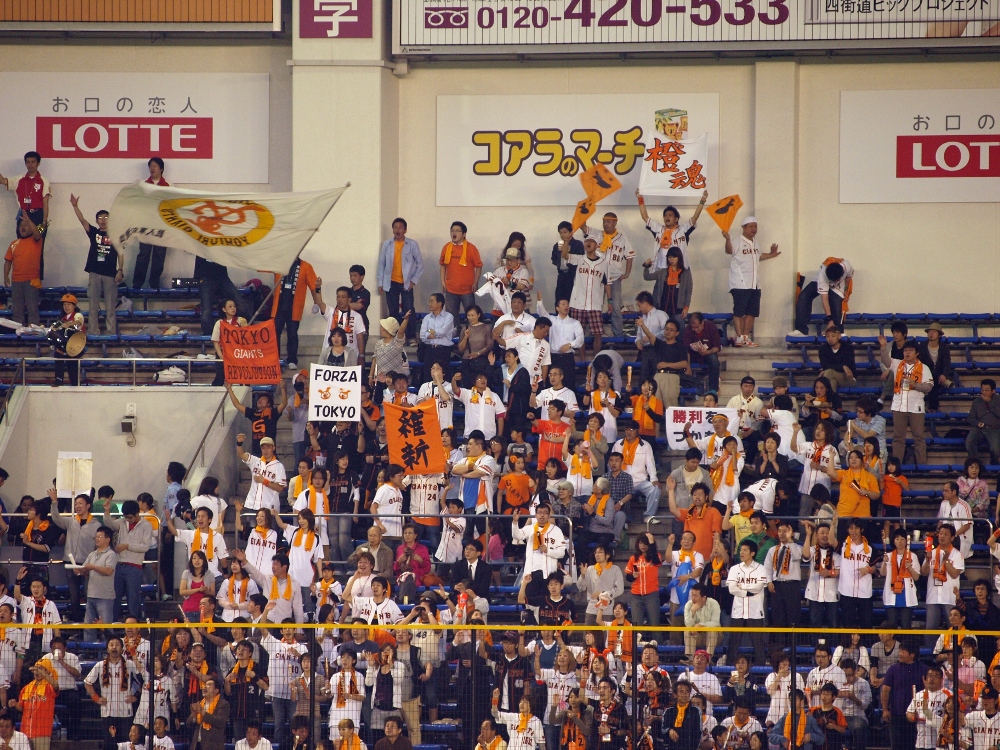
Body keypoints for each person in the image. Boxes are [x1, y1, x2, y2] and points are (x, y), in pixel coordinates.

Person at [724, 216, 780, 347]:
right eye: (750, 226)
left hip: (754, 284)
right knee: (739, 312)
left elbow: (758, 256)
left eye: (755, 226)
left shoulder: (756, 243)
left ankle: (745, 338)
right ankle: (739, 338)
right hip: (740, 283)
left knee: (751, 312)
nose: (754, 229)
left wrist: (771, 254)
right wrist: (727, 240)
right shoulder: (737, 241)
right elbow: (729, 250)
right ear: (743, 227)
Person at [70, 193, 121, 334]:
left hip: (110, 274)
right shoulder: (93, 233)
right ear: (97, 221)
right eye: (100, 218)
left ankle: (111, 333)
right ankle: (93, 332)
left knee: (110, 307)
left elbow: (121, 253)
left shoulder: (116, 235)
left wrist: (120, 270)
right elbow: (82, 221)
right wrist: (75, 206)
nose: (103, 220)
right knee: (93, 306)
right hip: (94, 273)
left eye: (106, 218)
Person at [582, 212, 634, 339]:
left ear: (615, 222)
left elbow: (630, 255)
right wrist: (585, 211)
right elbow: (582, 226)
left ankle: (618, 336)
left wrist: (627, 273)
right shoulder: (597, 234)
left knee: (616, 307)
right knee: (594, 306)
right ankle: (592, 334)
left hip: (615, 277)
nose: (606, 224)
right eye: (604, 221)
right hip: (598, 276)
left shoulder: (622, 238)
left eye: (609, 221)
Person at [101, 499, 152, 621]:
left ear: (137, 514)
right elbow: (110, 524)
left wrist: (127, 546)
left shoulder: (146, 525)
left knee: (132, 597)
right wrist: (107, 512)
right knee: (115, 596)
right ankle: (114, 624)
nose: (128, 520)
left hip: (135, 566)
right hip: (119, 564)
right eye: (126, 517)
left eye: (130, 517)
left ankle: (133, 624)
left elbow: (145, 546)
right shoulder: (123, 522)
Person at [271, 257, 321, 369]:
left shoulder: (306, 267)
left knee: (292, 333)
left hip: (294, 307)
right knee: (275, 333)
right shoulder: (279, 263)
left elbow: (314, 286)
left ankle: (292, 359)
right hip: (279, 306)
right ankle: (275, 359)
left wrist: (317, 302)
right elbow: (263, 265)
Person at [378, 218, 423, 343]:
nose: (398, 230)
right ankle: (394, 336)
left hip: (406, 282)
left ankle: (411, 336)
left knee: (408, 309)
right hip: (390, 282)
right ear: (393, 229)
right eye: (395, 227)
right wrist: (380, 282)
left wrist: (413, 281)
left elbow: (420, 264)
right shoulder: (387, 244)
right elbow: (381, 264)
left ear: (405, 230)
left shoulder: (412, 244)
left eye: (400, 227)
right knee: (392, 310)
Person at [84, 638, 138, 738]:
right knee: (109, 744)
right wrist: (96, 698)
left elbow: (142, 681)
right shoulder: (100, 665)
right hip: (107, 712)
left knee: (125, 743)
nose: (114, 647)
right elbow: (87, 683)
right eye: (111, 645)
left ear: (122, 649)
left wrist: (136, 696)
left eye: (117, 645)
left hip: (125, 711)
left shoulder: (130, 665)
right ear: (107, 649)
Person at [637, 188, 706, 266]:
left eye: (670, 215)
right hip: (661, 269)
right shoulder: (658, 229)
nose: (667, 217)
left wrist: (703, 200)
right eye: (665, 215)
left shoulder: (682, 230)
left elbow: (695, 217)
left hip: (679, 269)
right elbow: (645, 217)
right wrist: (640, 198)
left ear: (676, 219)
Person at [131, 157, 170, 288]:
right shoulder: (143, 185)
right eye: (150, 166)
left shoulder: (168, 187)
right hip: (145, 225)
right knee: (143, 255)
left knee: (159, 256)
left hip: (161, 226)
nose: (152, 168)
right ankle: (137, 283)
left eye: (155, 166)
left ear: (161, 169)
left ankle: (154, 283)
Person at [569, 235, 610, 357]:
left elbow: (607, 283)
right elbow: (565, 256)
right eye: (586, 241)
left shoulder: (603, 263)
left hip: (595, 303)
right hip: (578, 303)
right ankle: (582, 360)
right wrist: (566, 242)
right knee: (579, 333)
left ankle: (595, 360)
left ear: (597, 245)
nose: (588, 243)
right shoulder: (579, 259)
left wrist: (610, 301)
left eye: (591, 241)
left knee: (598, 334)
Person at [613, 422, 661, 525]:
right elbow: (612, 462)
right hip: (623, 480)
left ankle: (648, 516)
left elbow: (650, 464)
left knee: (655, 489)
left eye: (631, 430)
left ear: (637, 431)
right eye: (627, 430)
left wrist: (654, 479)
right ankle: (623, 520)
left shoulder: (645, 445)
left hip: (640, 481)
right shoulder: (618, 444)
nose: (629, 432)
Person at [792, 258, 854, 335]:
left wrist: (846, 291)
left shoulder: (847, 266)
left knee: (836, 302)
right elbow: (824, 299)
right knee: (804, 296)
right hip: (821, 281)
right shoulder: (823, 275)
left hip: (837, 287)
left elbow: (848, 277)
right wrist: (830, 319)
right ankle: (801, 330)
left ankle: (839, 332)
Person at [79, 525, 118, 641]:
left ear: (108, 539)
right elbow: (85, 568)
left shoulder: (111, 554)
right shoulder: (92, 554)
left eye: (100, 537)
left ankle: (109, 650)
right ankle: (88, 652)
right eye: (96, 537)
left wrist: (92, 567)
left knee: (105, 626)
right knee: (88, 627)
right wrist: (80, 570)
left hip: (105, 597)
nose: (97, 539)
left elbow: (108, 571)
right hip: (91, 595)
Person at [3, 212, 42, 326]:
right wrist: (6, 276)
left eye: (26, 225)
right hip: (16, 281)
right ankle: (18, 336)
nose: (23, 227)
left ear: (31, 227)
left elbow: (38, 233)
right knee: (17, 311)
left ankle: (33, 336)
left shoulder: (36, 240)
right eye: (21, 225)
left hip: (32, 281)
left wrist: (29, 220)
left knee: (32, 310)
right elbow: (8, 261)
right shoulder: (13, 244)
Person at [440, 221, 483, 321]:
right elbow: (442, 265)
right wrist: (442, 281)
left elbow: (479, 266)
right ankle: (454, 335)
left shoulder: (471, 248)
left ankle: (471, 335)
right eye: (452, 231)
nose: (454, 233)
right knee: (451, 316)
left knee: (471, 315)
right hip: (450, 288)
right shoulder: (446, 247)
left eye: (457, 231)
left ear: (464, 234)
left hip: (467, 289)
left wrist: (476, 282)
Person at [195, 255, 246, 336]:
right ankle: (209, 336)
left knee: (240, 303)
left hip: (222, 276)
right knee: (206, 311)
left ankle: (241, 330)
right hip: (206, 277)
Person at [14, 660, 58, 750]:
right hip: (25, 732)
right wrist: (15, 704)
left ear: (47, 671)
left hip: (42, 732)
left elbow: (56, 686)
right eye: (36, 669)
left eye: (40, 669)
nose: (37, 672)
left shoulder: (49, 686)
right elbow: (22, 709)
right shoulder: (26, 688)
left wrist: (43, 673)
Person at [905, 666, 949, 750]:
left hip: (939, 743)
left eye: (936, 676)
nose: (932, 679)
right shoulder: (918, 695)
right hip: (920, 742)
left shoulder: (947, 695)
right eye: (930, 676)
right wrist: (912, 717)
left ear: (941, 679)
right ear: (925, 678)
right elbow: (909, 712)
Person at [682, 313, 722, 394]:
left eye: (697, 327)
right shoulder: (688, 330)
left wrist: (708, 352)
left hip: (708, 353)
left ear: (702, 322)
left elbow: (717, 347)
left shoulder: (711, 327)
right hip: (693, 355)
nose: (695, 330)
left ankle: (713, 390)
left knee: (714, 360)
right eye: (693, 328)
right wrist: (688, 365)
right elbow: (686, 349)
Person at [187, 676, 230, 750]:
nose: (204, 687)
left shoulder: (223, 704)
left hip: (213, 746)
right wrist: (194, 716)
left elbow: (220, 722)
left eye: (209, 685)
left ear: (216, 690)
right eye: (205, 685)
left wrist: (202, 712)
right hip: (197, 745)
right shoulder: (200, 704)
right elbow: (188, 724)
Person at [420, 293, 456, 377]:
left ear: (439, 303)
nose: (429, 304)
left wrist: (429, 332)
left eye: (432, 301)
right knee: (428, 376)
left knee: (443, 377)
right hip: (429, 350)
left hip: (443, 350)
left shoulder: (449, 317)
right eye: (429, 301)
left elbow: (443, 332)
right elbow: (422, 335)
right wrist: (430, 332)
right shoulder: (427, 318)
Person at [966, 379, 1000, 464]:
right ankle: (976, 464)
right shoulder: (977, 402)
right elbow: (971, 418)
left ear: (993, 391)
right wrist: (977, 423)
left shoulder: (998, 400)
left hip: (994, 429)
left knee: (995, 449)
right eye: (982, 390)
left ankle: (994, 465)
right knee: (969, 441)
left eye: (987, 390)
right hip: (979, 428)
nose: (984, 392)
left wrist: (990, 402)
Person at [552, 222, 585, 307]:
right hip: (562, 275)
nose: (563, 235)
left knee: (572, 299)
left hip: (573, 276)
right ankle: (559, 318)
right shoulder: (557, 245)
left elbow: (581, 260)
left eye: (565, 232)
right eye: (560, 232)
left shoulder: (578, 244)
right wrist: (559, 264)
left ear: (571, 232)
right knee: (559, 299)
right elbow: (554, 259)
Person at [818, 325, 857, 392]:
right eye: (828, 336)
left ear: (839, 336)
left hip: (848, 378)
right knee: (832, 382)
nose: (830, 339)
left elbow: (848, 366)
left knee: (829, 372)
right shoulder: (823, 349)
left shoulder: (848, 348)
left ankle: (818, 396)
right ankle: (831, 401)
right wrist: (843, 367)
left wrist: (843, 367)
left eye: (833, 336)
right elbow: (825, 366)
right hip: (831, 376)